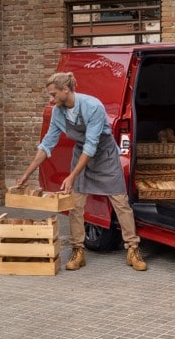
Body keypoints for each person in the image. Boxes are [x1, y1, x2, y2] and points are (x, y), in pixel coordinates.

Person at [16, 72, 147, 272]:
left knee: (120, 202)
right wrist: (27, 173)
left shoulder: (92, 106)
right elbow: (47, 145)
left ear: (65, 90)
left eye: (53, 95)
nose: (50, 99)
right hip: (81, 155)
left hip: (104, 155)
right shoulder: (57, 112)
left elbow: (92, 145)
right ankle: (78, 250)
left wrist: (72, 176)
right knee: (75, 204)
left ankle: (132, 248)